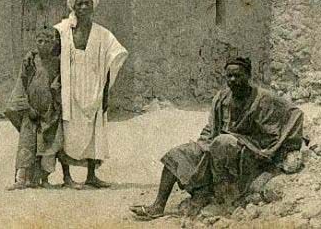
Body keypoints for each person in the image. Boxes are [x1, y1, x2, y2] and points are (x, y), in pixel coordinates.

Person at [130, 57, 305, 221]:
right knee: (177, 154)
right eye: (229, 76)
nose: (233, 80)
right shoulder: (222, 98)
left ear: (248, 76)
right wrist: (202, 143)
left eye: (238, 76)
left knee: (224, 142)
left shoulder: (263, 98)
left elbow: (293, 113)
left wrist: (282, 145)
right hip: (218, 144)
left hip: (249, 149)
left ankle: (224, 197)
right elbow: (211, 128)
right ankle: (158, 206)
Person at [55, 0, 128, 188]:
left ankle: (91, 176)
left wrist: (105, 92)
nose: (84, 6)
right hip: (69, 88)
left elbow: (117, 54)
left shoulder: (102, 34)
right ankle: (67, 177)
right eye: (79, 3)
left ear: (93, 6)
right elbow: (51, 53)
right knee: (67, 131)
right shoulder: (62, 31)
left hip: (94, 88)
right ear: (73, 7)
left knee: (93, 131)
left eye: (87, 2)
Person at [3, 26, 63, 189]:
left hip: (48, 111)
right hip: (30, 110)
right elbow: (22, 83)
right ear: (35, 42)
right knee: (27, 142)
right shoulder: (30, 61)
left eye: (48, 41)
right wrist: (27, 107)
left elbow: (58, 84)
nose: (43, 44)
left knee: (46, 145)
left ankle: (43, 179)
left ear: (54, 44)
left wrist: (54, 104)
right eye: (40, 41)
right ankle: (22, 179)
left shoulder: (57, 63)